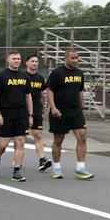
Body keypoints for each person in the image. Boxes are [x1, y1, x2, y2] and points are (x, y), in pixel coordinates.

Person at [45, 49, 93, 179]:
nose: (76, 60)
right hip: (60, 111)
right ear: (65, 58)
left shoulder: (79, 73)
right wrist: (53, 108)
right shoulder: (57, 73)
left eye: (77, 58)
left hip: (75, 111)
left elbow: (80, 91)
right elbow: (49, 90)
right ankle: (56, 168)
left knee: (82, 137)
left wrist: (82, 106)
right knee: (58, 140)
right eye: (73, 58)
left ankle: (80, 168)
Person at [0, 51, 33, 181]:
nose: (16, 60)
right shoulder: (1, 76)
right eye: (14, 58)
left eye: (18, 58)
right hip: (6, 113)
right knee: (3, 144)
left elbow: (28, 96)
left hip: (21, 113)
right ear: (8, 60)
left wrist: (30, 115)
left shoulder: (24, 76)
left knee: (20, 141)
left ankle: (16, 171)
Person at [25, 54, 52, 171]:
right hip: (22, 111)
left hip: (36, 110)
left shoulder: (40, 78)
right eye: (32, 61)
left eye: (36, 61)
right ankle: (17, 159)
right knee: (20, 138)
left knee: (38, 135)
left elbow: (42, 95)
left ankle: (42, 159)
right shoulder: (22, 76)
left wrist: (43, 109)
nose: (35, 63)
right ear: (27, 63)